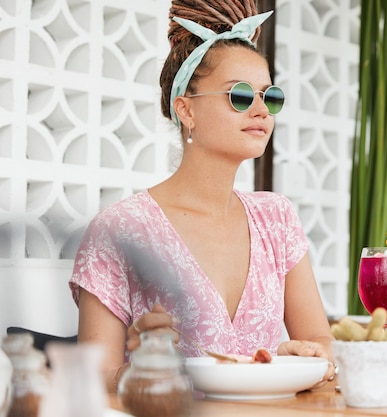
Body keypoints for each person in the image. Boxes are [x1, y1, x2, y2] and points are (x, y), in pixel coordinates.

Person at [69, 0, 335, 393]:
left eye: (270, 96)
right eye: (240, 96)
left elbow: (320, 340)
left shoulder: (276, 218)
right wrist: (140, 368)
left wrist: (311, 357)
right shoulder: (119, 229)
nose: (261, 110)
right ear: (186, 110)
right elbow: (93, 380)